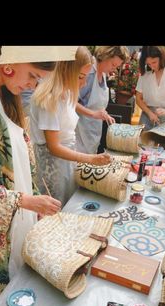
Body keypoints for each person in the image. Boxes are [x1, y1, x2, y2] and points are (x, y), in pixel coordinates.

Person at [0, 45, 75, 306]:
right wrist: (23, 200)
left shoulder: (3, 93)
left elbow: (20, 157)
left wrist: (34, 200)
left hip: (11, 226)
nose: (32, 85)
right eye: (33, 76)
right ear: (10, 64)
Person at [30, 46, 111, 206]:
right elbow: (54, 147)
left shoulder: (65, 93)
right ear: (66, 70)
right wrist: (89, 159)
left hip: (66, 161)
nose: (84, 83)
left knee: (69, 202)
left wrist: (93, 114)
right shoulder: (49, 98)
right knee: (56, 208)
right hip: (53, 167)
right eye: (81, 77)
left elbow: (71, 110)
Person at [75, 46, 130, 154]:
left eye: (117, 66)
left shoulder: (103, 74)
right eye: (113, 65)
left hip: (93, 135)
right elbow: (70, 102)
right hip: (80, 136)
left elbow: (97, 105)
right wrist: (93, 114)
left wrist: (104, 115)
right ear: (104, 56)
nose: (114, 69)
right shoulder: (88, 73)